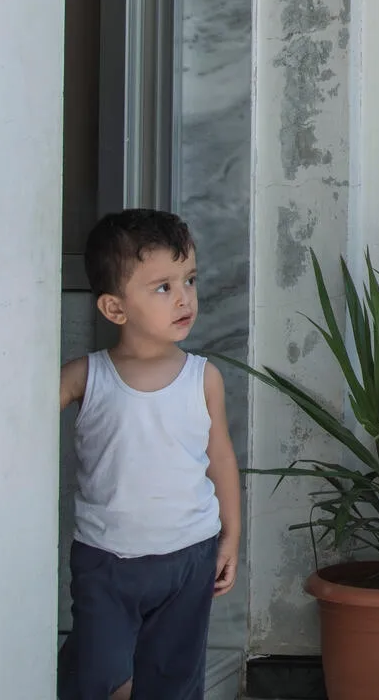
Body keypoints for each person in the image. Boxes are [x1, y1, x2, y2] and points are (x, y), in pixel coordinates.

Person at [57, 209, 242, 700]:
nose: (185, 297)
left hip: (189, 555)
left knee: (173, 678)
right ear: (115, 309)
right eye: (163, 287)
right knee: (101, 675)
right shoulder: (85, 376)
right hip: (106, 561)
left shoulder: (203, 377)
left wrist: (232, 534)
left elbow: (220, 457)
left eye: (190, 279)